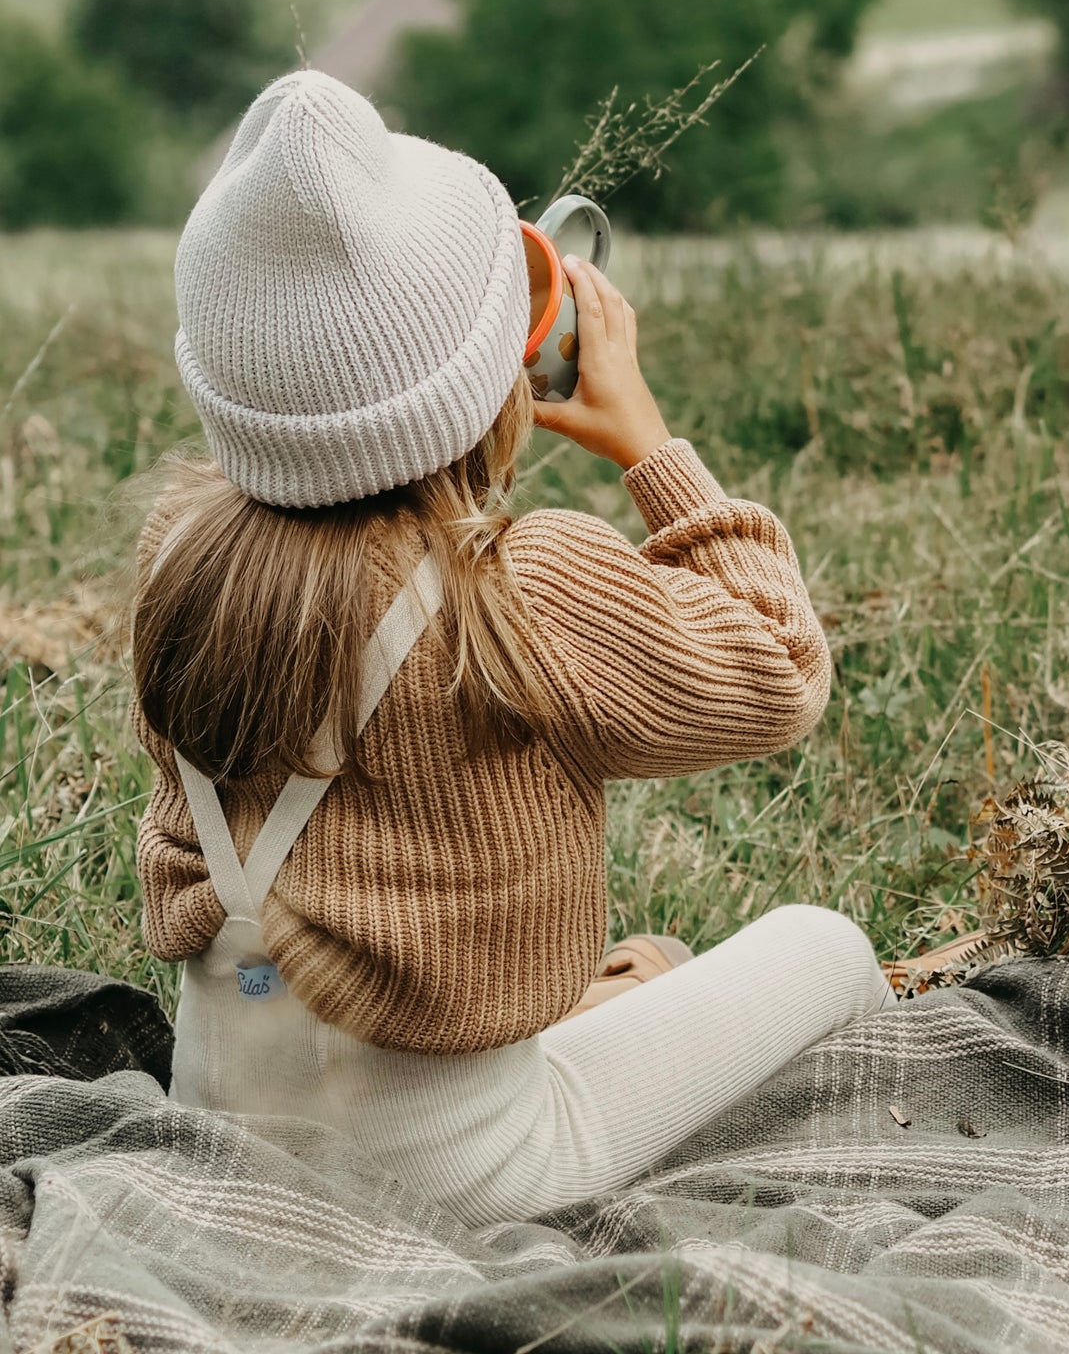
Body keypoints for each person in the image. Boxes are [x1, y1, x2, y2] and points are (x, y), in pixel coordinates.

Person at [131, 71, 889, 1224]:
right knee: (821, 944)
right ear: (491, 385)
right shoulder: (523, 583)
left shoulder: (179, 555)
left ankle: (625, 991)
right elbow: (781, 669)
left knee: (645, 968)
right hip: (458, 1176)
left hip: (219, 1115)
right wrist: (646, 438)